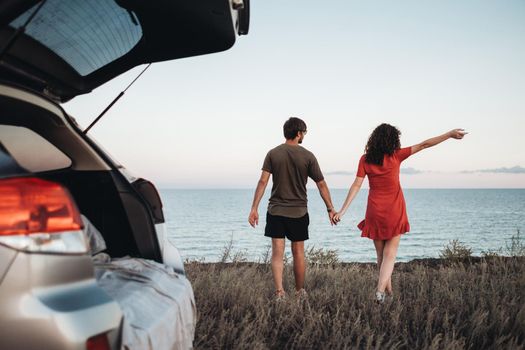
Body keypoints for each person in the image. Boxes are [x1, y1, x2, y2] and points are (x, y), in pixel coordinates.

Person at [333, 124, 467, 303]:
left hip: (374, 211)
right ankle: (380, 292)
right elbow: (425, 144)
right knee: (390, 255)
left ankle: (389, 296)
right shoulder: (397, 155)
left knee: (381, 257)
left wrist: (342, 211)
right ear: (393, 140)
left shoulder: (365, 159)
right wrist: (449, 134)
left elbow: (356, 185)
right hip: (394, 210)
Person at [248, 117, 337, 300]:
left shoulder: (273, 153)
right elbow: (321, 184)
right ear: (298, 133)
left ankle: (280, 292)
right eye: (304, 132)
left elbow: (263, 181)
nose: (304, 135)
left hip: (276, 212)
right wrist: (330, 208)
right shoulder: (308, 156)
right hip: (299, 213)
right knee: (298, 253)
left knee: (277, 254)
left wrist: (254, 208)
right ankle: (299, 291)